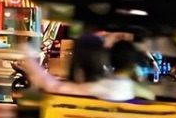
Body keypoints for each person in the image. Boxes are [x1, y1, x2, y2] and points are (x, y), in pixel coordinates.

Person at [21, 34, 154, 103]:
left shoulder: (107, 87)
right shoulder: (143, 93)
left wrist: (30, 58)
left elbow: (54, 87)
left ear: (110, 60)